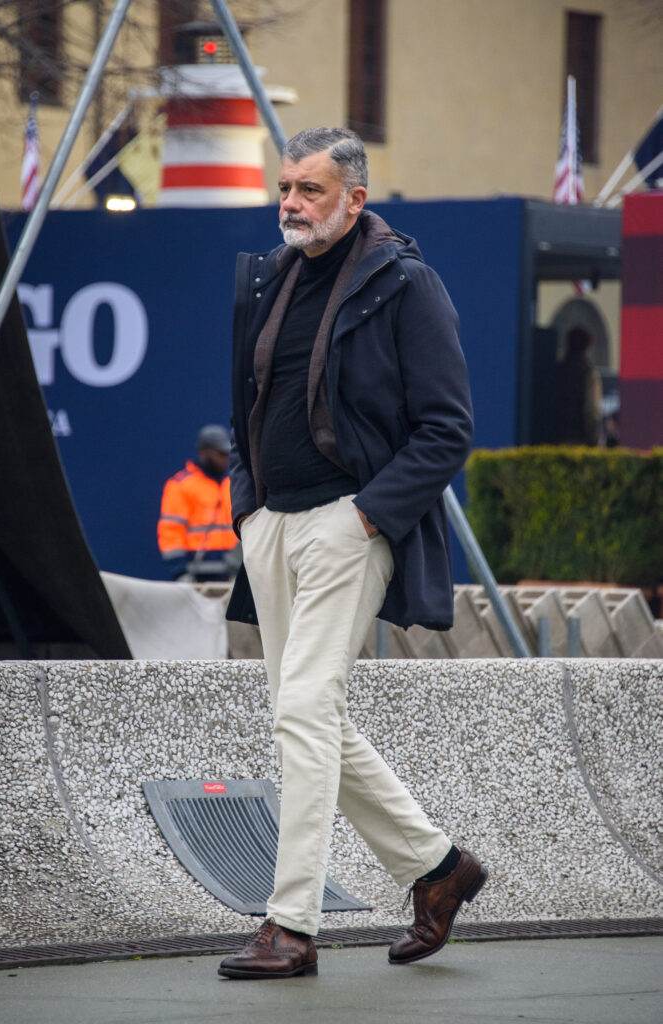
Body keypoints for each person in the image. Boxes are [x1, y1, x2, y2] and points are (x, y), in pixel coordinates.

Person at [220, 127, 486, 980]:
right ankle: (439, 867)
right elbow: (247, 406)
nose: (292, 203)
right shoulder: (267, 277)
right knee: (311, 717)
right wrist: (246, 509)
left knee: (303, 708)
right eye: (285, 187)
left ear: (354, 198)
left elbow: (447, 428)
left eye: (310, 189)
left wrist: (367, 518)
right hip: (271, 524)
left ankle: (291, 924)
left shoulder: (404, 283)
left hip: (347, 523)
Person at [157, 424, 238, 582]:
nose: (225, 459)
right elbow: (170, 532)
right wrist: (180, 572)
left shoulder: (231, 484)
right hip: (197, 576)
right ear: (204, 451)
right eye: (220, 453)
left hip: (232, 574)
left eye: (227, 454)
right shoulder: (180, 485)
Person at [555, 326, 603, 446]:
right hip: (579, 440)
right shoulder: (588, 372)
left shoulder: (558, 370)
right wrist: (594, 441)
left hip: (556, 438)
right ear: (587, 346)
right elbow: (591, 411)